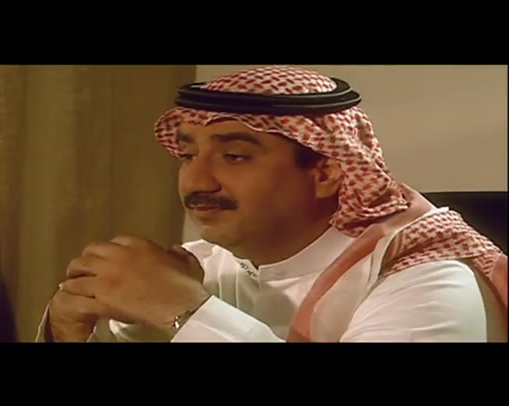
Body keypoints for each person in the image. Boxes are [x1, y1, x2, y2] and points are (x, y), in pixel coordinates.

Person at [36, 65, 507, 342]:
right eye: (188, 155)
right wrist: (68, 330)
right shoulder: (199, 265)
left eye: (234, 156)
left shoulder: (426, 280)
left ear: (326, 173)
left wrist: (183, 310)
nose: (196, 180)